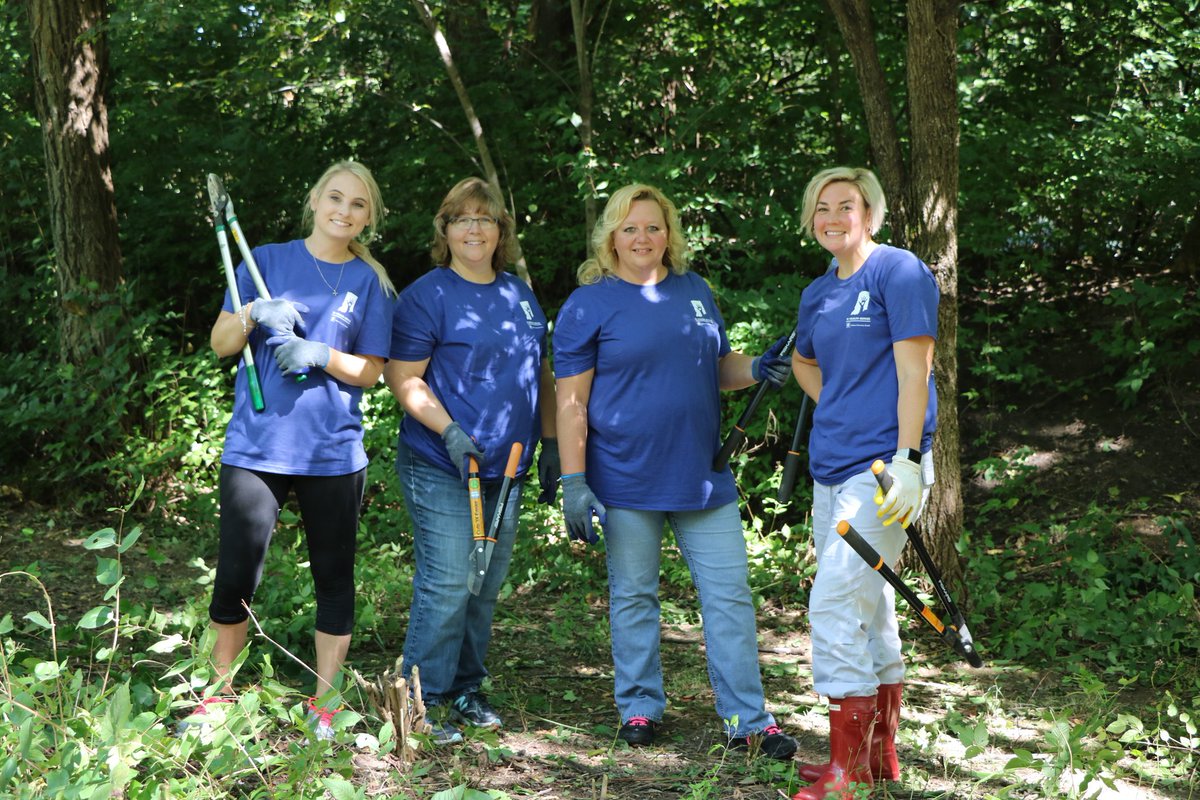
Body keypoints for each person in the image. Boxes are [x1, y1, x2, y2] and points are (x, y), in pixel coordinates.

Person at [552, 183, 798, 759]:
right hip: (624, 477)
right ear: (610, 235)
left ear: (670, 234)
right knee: (635, 595)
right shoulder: (590, 302)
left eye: (654, 227)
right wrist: (572, 479)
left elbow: (717, 367)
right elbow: (571, 403)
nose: (643, 237)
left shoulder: (694, 290)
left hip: (703, 477)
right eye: (630, 227)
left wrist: (758, 366)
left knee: (730, 596)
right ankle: (639, 707)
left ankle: (747, 719)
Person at [190, 160, 396, 740]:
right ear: (314, 198)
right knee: (235, 576)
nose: (344, 211)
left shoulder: (370, 282)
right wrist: (254, 311)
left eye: (358, 205)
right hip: (257, 446)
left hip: (332, 452)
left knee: (334, 578)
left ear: (369, 217)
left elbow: (372, 373)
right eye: (336, 197)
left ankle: (324, 706)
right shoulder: (270, 260)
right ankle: (217, 699)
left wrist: (321, 355)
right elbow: (220, 344)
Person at [384, 177, 557, 745]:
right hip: (442, 463)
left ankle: (464, 688)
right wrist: (451, 432)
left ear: (500, 230)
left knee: (484, 583)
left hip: (505, 472)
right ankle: (420, 701)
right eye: (462, 219)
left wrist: (552, 445)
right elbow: (403, 378)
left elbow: (541, 377)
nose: (474, 228)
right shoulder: (427, 296)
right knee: (448, 579)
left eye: (485, 218)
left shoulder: (520, 294)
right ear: (445, 230)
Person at [787, 167, 939, 800]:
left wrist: (906, 457)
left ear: (870, 214)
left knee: (831, 603)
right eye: (821, 207)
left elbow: (915, 370)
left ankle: (845, 774)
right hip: (830, 470)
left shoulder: (897, 272)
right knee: (868, 607)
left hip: (882, 473)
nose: (832, 216)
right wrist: (843, 402)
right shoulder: (819, 291)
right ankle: (877, 760)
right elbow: (802, 359)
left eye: (845, 205)